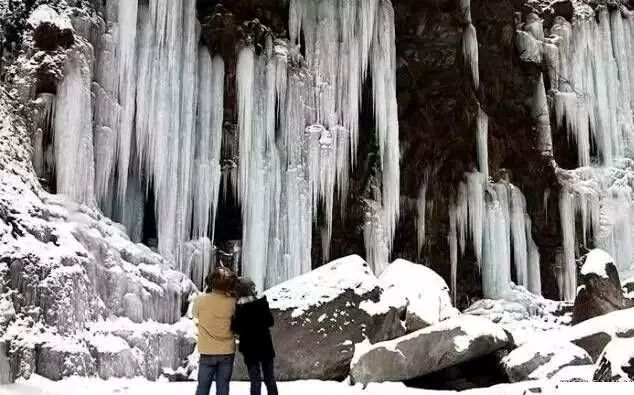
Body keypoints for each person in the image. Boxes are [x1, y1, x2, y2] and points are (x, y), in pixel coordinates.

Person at [193, 267, 237, 395]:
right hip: (226, 352)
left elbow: (195, 314)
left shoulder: (200, 300)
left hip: (207, 351)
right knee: (223, 388)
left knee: (202, 388)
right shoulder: (233, 303)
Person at [231, 278, 278, 395]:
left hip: (249, 348)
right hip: (265, 345)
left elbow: (236, 329)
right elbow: (270, 321)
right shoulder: (261, 303)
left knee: (255, 380)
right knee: (270, 378)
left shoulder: (239, 309)